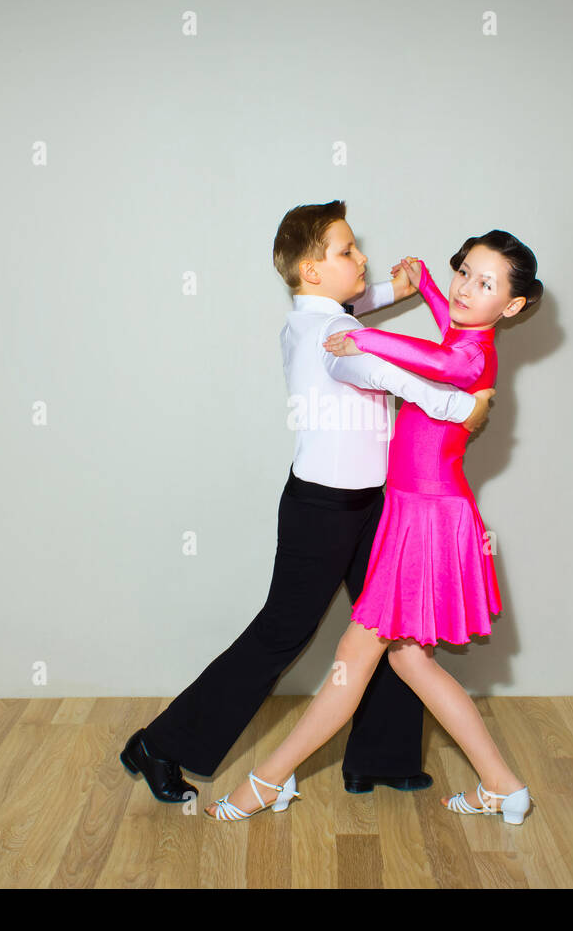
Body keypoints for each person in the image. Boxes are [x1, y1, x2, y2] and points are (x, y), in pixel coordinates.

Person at [121, 200, 495, 803]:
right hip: (322, 510)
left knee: (392, 625)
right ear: (314, 271)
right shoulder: (335, 339)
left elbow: (345, 305)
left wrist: (389, 289)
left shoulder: (309, 317)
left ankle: (379, 758)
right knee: (281, 634)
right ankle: (161, 744)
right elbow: (379, 369)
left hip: (370, 503)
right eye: (347, 251)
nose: (362, 257)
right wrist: (461, 407)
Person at [206, 232, 543, 826]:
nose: (466, 287)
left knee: (352, 659)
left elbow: (438, 362)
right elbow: (450, 321)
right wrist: (432, 287)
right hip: (416, 512)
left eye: (485, 283)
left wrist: (364, 335)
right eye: (463, 271)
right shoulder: (467, 332)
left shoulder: (469, 355)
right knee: (411, 662)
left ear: (512, 306)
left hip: (427, 518)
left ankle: (266, 782)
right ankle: (503, 786)